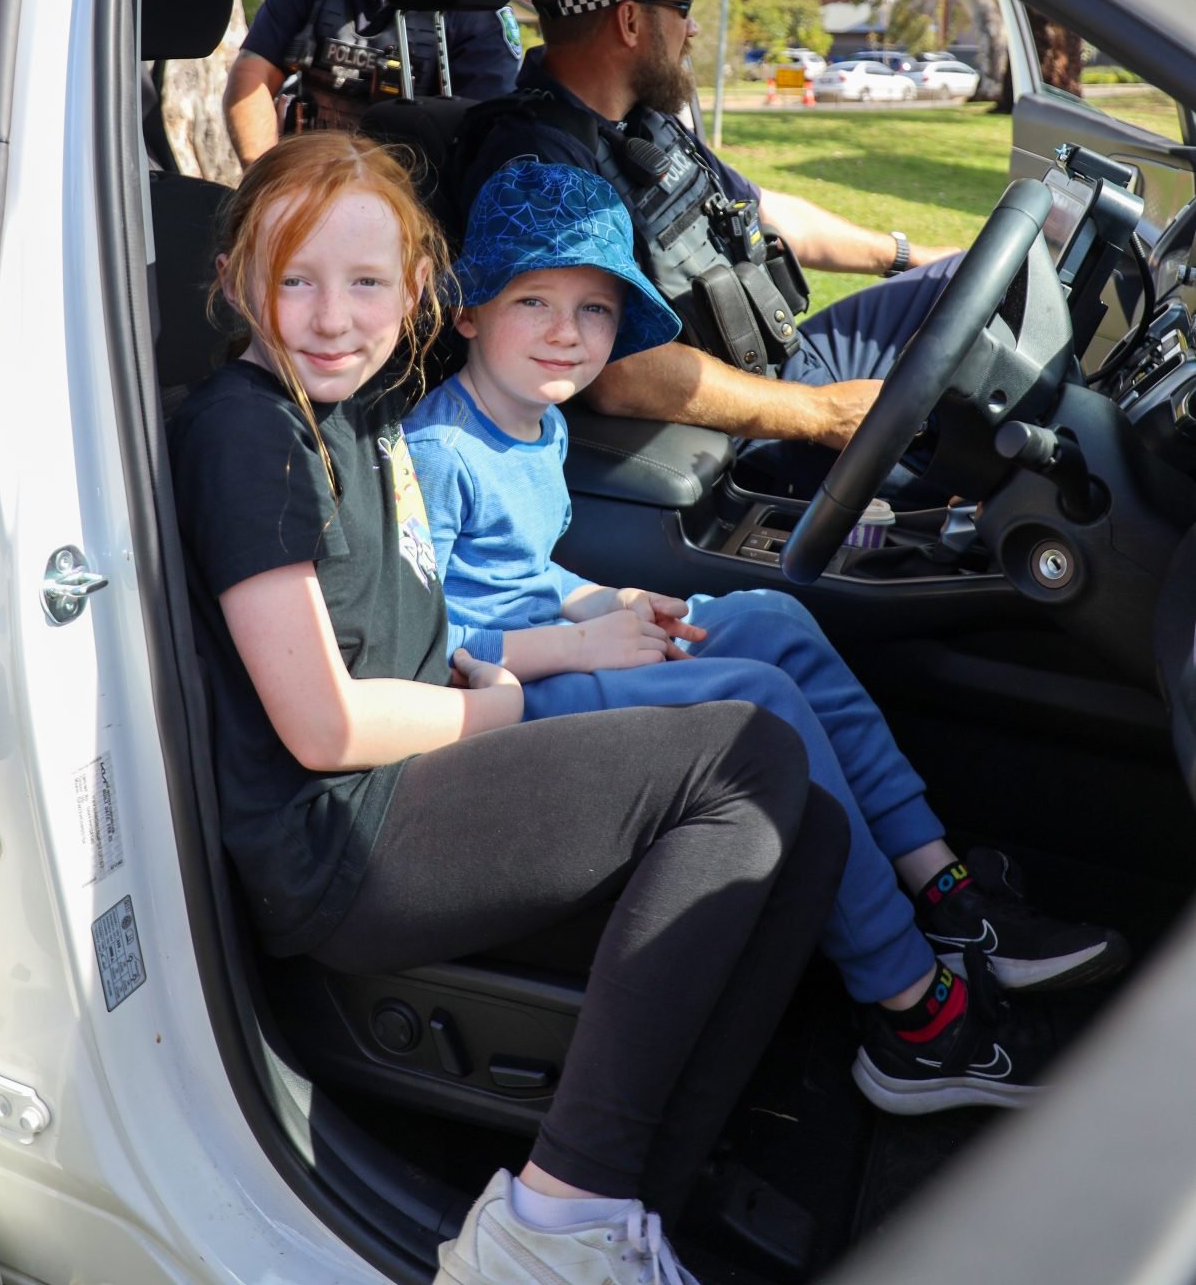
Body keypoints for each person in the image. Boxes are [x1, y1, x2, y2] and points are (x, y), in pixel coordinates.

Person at [166, 130, 850, 1285]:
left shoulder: (362, 405)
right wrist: (501, 704)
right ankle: (552, 1218)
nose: (332, 315)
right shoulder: (252, 432)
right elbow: (322, 726)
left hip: (417, 758)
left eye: (368, 281)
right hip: (342, 833)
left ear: (422, 290)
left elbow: (423, 601)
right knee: (742, 760)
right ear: (238, 281)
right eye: (294, 279)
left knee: (807, 830)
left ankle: (632, 1212)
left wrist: (508, 655)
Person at [406, 160, 1129, 1113]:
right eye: (532, 300)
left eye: (592, 311)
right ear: (468, 314)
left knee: (777, 623)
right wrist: (577, 646)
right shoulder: (437, 450)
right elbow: (429, 636)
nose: (563, 333)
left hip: (555, 644)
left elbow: (525, 572)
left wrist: (607, 601)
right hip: (498, 700)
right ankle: (916, 1017)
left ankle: (947, 897)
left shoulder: (533, 426)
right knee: (761, 702)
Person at [451, 0, 964, 493]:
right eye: (683, 7)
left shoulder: (640, 122)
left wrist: (906, 255)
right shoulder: (541, 168)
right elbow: (622, 374)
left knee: (962, 280)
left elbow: (761, 210)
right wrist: (821, 413)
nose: (692, 29)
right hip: (734, 438)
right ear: (629, 21)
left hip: (781, 367)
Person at [224, 0, 523, 164]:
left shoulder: (474, 6)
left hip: (413, 202)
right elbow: (253, 74)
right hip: (307, 178)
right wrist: (263, 178)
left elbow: (485, 136)